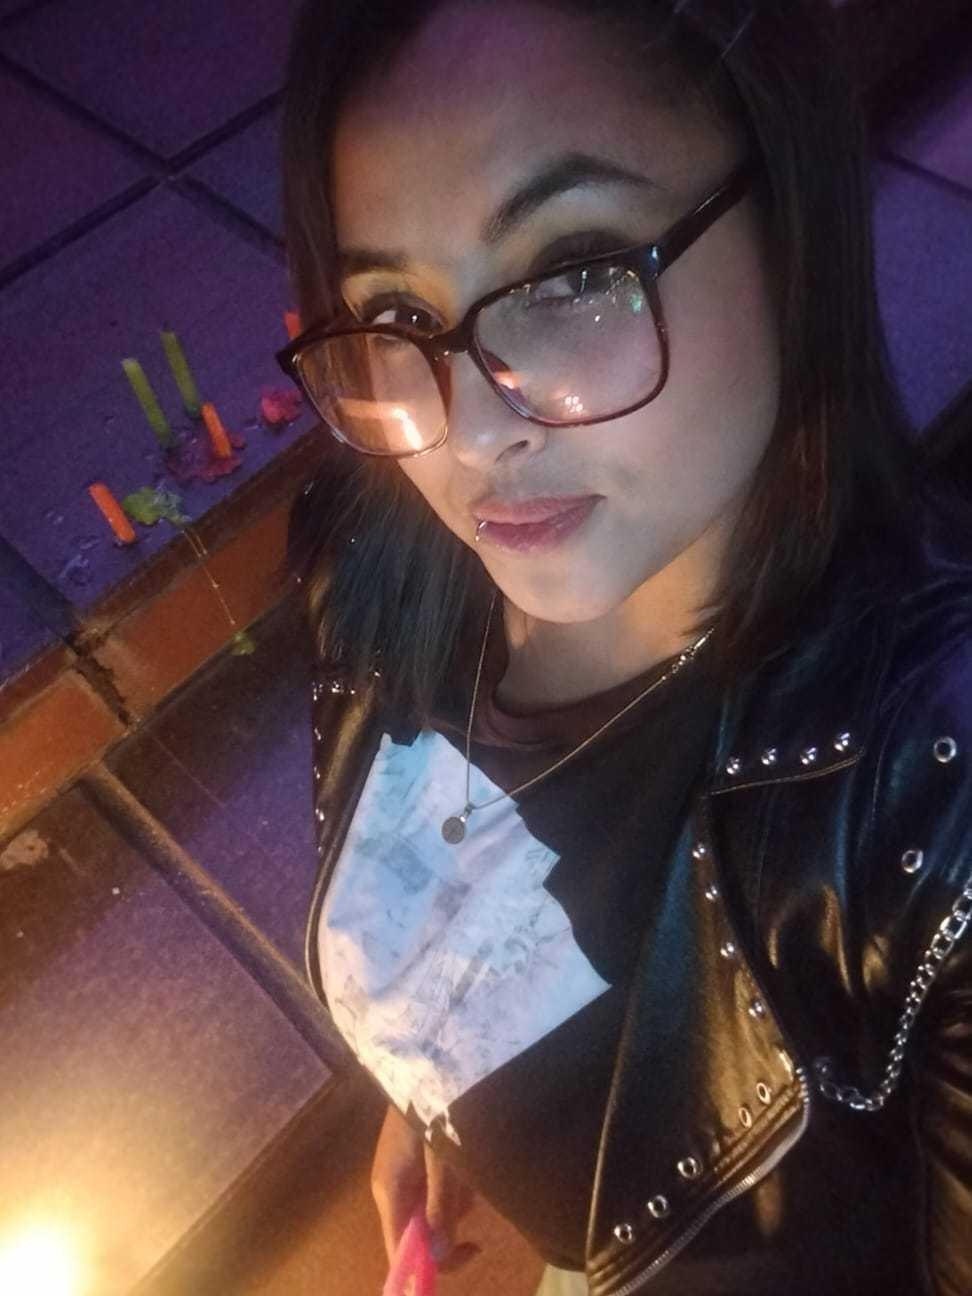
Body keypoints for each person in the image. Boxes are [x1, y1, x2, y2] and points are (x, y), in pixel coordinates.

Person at [278, 2, 972, 1292]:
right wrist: (436, 1087)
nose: (470, 431)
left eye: (574, 270)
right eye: (397, 312)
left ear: (791, 219)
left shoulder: (931, 820)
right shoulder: (366, 561)